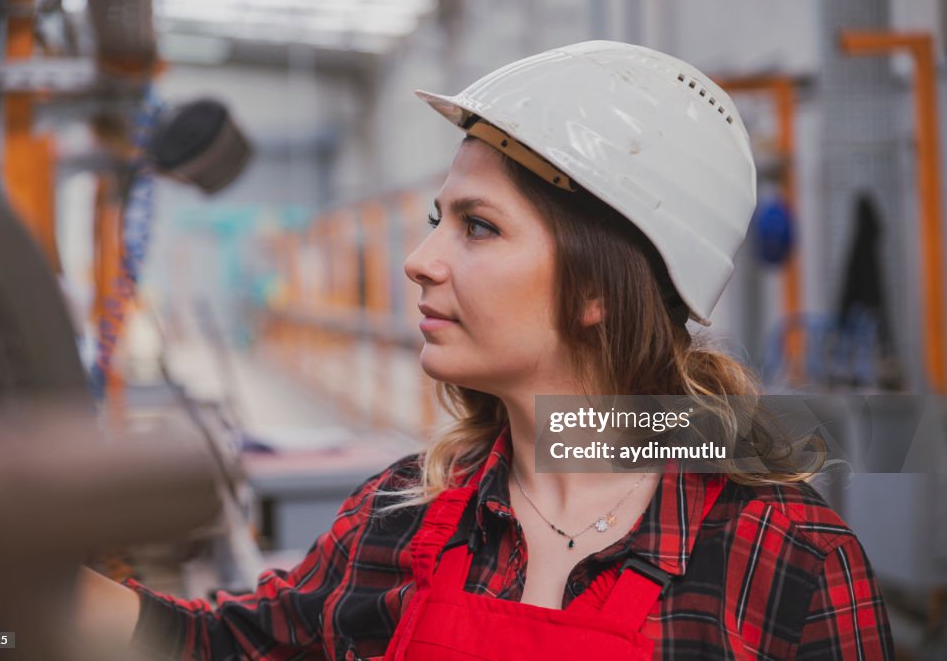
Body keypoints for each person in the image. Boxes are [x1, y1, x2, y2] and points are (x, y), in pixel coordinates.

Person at [76, 41, 895, 660]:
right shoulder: (402, 520)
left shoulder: (789, 563)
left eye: (478, 226)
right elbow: (218, 647)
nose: (420, 261)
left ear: (597, 289)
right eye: (440, 221)